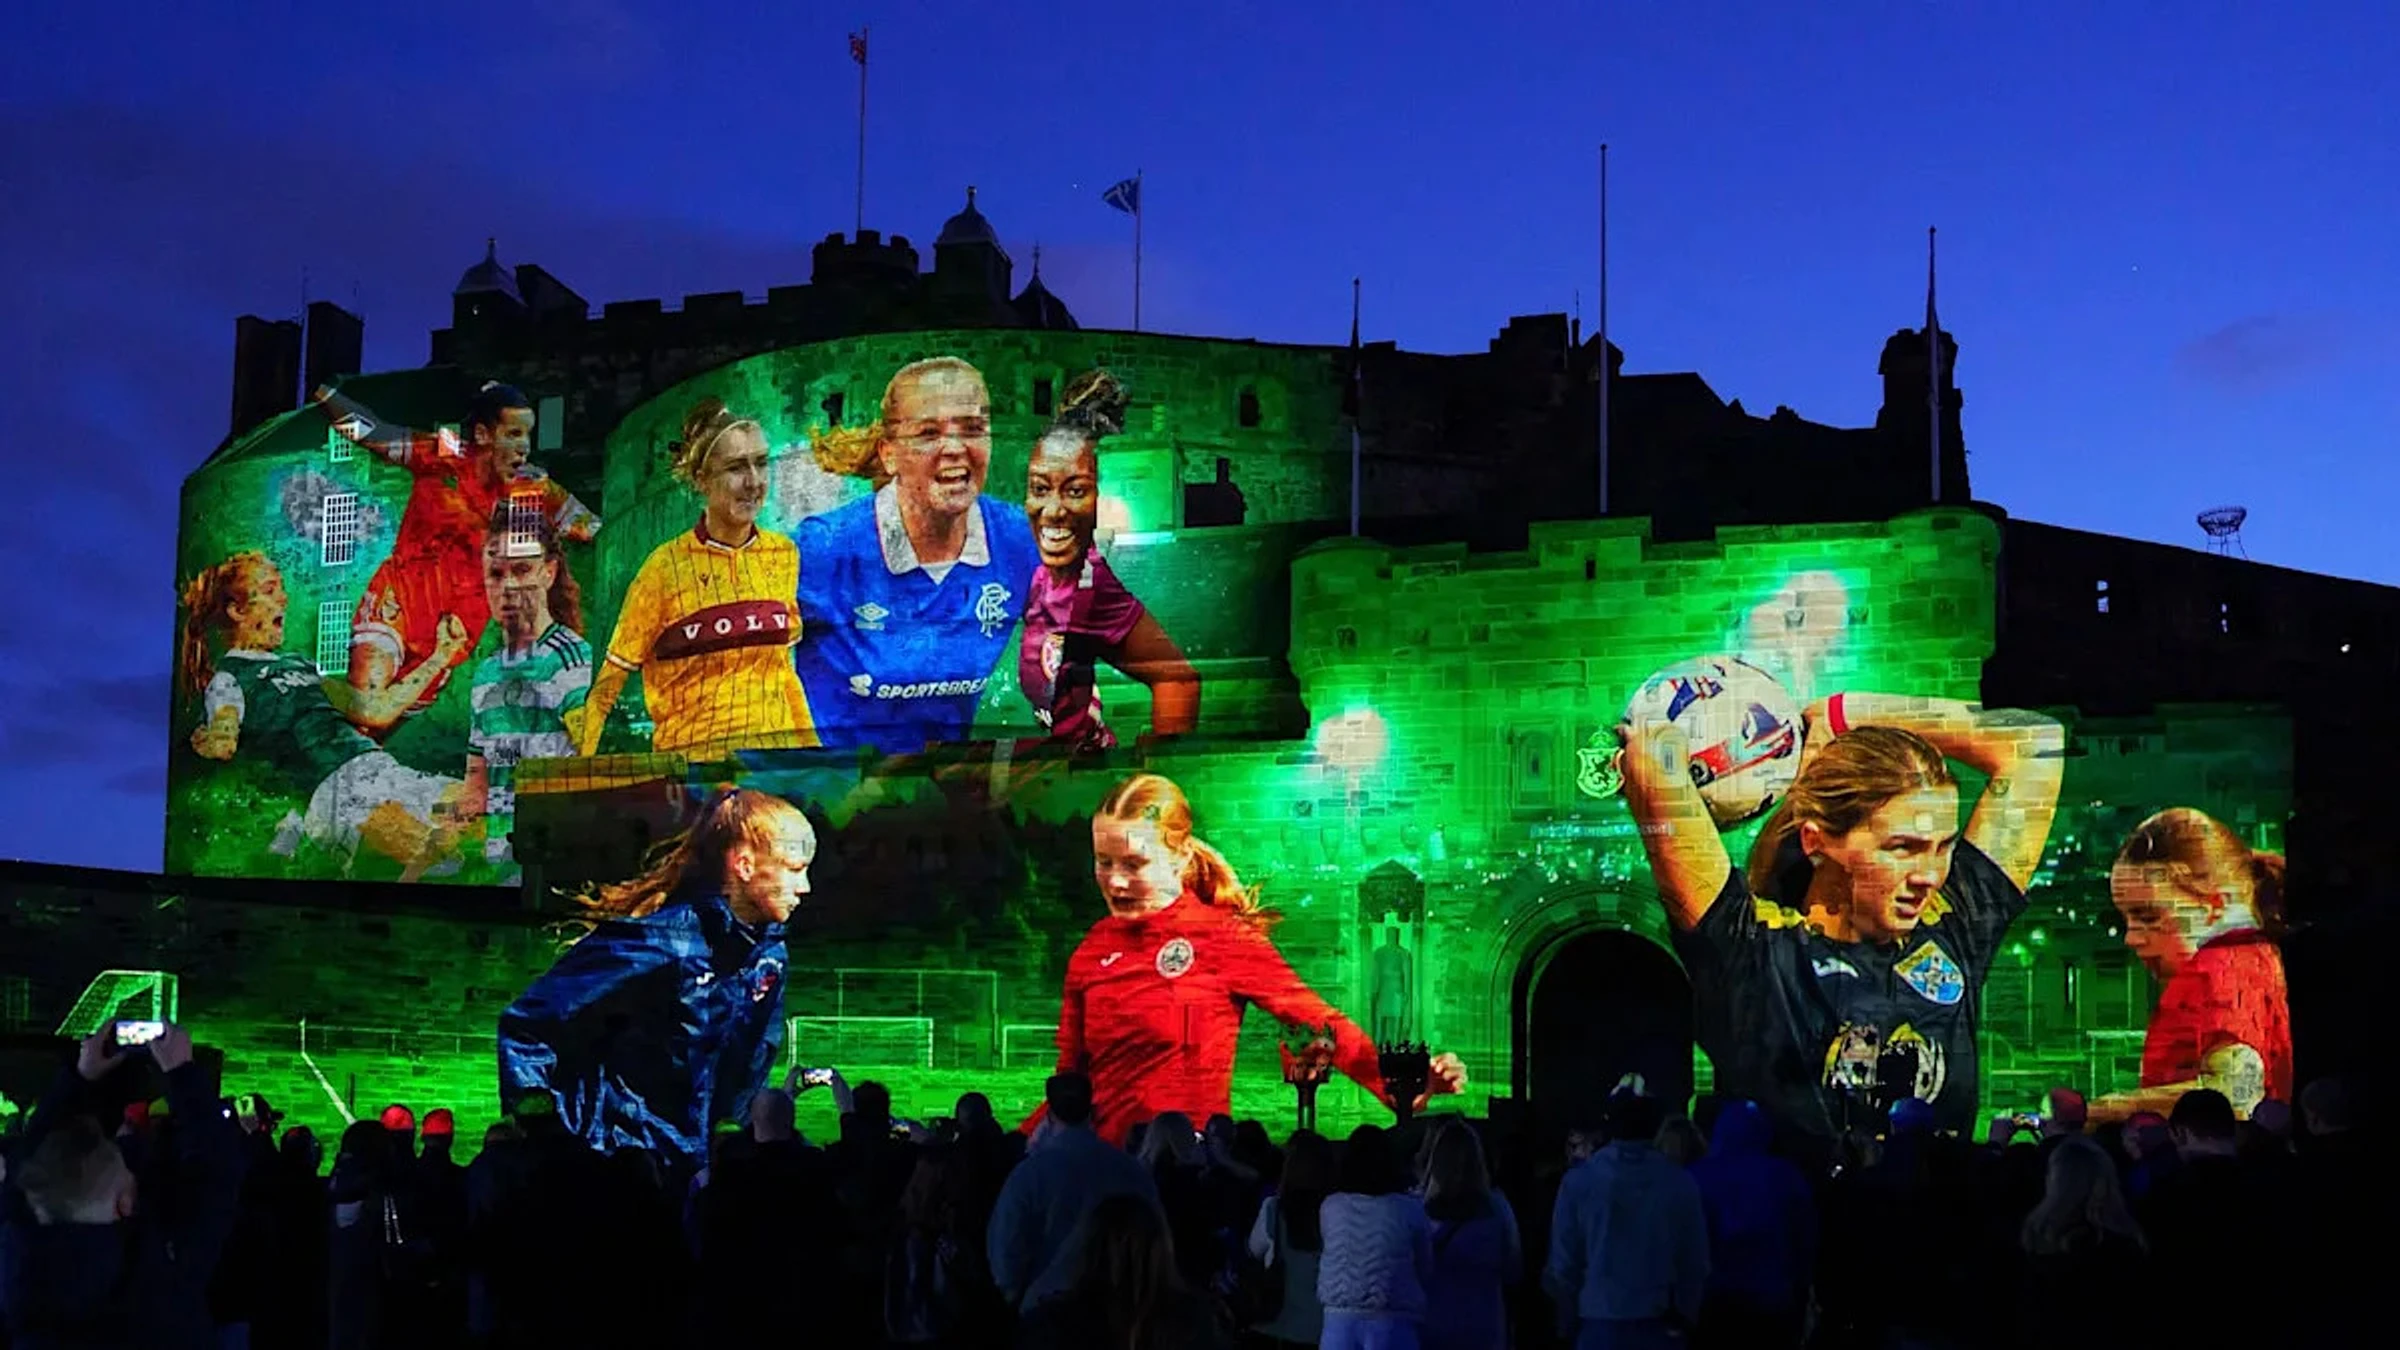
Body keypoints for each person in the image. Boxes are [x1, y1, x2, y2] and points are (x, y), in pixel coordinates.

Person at [1617, 690, 2065, 1138]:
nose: (1929, 875)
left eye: (1943, 847)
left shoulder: (1954, 928)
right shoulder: (1752, 951)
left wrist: (1843, 713)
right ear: (1816, 842)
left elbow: (2036, 742)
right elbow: (1653, 755)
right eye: (1901, 848)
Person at [1034, 772, 1467, 1144]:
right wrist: (1015, 1146)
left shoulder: (1222, 938)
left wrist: (1404, 1087)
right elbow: (1069, 1080)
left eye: (1133, 864)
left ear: (1180, 857)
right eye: (1104, 862)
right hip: (1100, 1175)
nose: (1115, 881)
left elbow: (1319, 1021)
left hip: (1187, 1173)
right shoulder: (1092, 950)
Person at [496, 787, 815, 1178]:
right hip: (622, 1170)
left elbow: (753, 1062)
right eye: (794, 868)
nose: (805, 887)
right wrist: (546, 1142)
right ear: (745, 865)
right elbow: (527, 1027)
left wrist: (734, 1147)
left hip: (699, 1171)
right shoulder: (661, 942)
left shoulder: (769, 959)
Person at [312, 380, 599, 736]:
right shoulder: (441, 455)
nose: (524, 447)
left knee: (370, 737)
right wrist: (323, 392)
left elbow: (591, 526)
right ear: (482, 434)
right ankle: (305, 692)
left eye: (528, 435)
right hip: (398, 604)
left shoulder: (532, 487)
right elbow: (371, 433)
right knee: (367, 710)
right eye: (513, 434)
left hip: (451, 636)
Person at [795, 357, 1042, 753]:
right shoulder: (822, 548)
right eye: (928, 433)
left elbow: (1113, 639)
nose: (955, 448)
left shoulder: (1019, 538)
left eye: (973, 429)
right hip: (838, 785)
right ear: (889, 453)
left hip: (950, 781)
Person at [178, 551, 469, 878]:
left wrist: (441, 655)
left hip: (380, 769)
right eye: (271, 590)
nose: (284, 598)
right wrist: (215, 741)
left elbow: (376, 710)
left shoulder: (301, 666)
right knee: (438, 858)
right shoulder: (230, 677)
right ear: (237, 610)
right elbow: (224, 729)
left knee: (481, 817)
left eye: (282, 588)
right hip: (334, 793)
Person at [574, 397, 817, 757]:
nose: (753, 482)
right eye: (736, 467)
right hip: (694, 771)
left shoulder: (783, 555)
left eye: (761, 463)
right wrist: (579, 766)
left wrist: (814, 759)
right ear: (702, 480)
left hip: (774, 767)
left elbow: (784, 672)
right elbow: (610, 682)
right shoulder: (663, 568)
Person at [0, 1024, 246, 1345]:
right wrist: (182, 1074)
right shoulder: (161, 1278)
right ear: (124, 1204)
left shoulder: (15, 1275)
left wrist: (80, 1077)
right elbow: (216, 1170)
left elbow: (24, 1166)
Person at [1017, 370, 1198, 749]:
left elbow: (1178, 680)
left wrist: (1159, 766)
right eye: (1040, 488)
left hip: (1080, 775)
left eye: (1076, 491)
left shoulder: (1090, 580)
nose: (1054, 510)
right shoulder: (1019, 559)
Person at [2089, 807, 2292, 1120]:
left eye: (2149, 917)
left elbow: (2236, 1094)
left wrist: (2099, 1113)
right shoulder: (2256, 958)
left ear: (2214, 906)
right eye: (2126, 919)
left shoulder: (2224, 967)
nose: (2131, 938)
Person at [461, 501, 591, 873]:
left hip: (555, 866)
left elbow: (594, 771)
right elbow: (476, 783)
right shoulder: (486, 674)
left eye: (521, 570)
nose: (508, 587)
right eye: (496, 573)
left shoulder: (572, 662)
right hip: (499, 868)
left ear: (549, 572)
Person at [1545, 1092, 1711, 1350]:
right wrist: (1686, 1315)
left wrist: (1566, 1322)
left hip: (1597, 1320)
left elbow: (1564, 1264)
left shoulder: (1579, 1181)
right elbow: (1694, 1260)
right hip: (1659, 1321)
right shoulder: (1679, 1182)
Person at [986, 1072, 1158, 1313]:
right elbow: (1154, 1234)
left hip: (1047, 1306)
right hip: (1118, 1306)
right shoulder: (1129, 1169)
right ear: (1092, 1111)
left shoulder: (1029, 1173)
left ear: (1049, 1115)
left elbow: (1007, 1246)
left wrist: (1015, 1294)